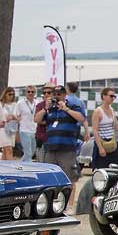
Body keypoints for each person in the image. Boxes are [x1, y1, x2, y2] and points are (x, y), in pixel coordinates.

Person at [35, 84, 86, 212]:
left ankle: (69, 206)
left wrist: (66, 109)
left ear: (65, 94)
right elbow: (37, 119)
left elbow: (81, 118)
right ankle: (51, 205)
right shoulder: (51, 108)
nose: (57, 96)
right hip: (51, 148)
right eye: (55, 93)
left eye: (60, 93)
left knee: (69, 177)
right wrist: (45, 109)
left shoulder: (73, 105)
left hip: (67, 149)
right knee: (50, 177)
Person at [92, 87, 118, 169]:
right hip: (102, 142)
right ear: (104, 96)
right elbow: (95, 131)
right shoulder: (98, 111)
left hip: (112, 143)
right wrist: (100, 148)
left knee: (116, 168)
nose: (113, 98)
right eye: (111, 96)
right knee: (102, 170)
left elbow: (117, 127)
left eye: (114, 96)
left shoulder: (112, 110)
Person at [16, 85, 38, 162]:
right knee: (28, 153)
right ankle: (28, 168)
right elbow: (17, 116)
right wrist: (17, 132)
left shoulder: (37, 103)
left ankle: (19, 165)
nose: (30, 93)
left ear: (35, 93)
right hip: (24, 130)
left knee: (32, 152)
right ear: (25, 92)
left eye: (32, 92)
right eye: (28, 91)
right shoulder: (20, 103)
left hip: (34, 130)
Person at [0, 86, 20, 160]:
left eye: (13, 94)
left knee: (6, 151)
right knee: (8, 149)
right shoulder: (0, 104)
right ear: (5, 94)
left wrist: (15, 118)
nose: (11, 96)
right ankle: (10, 166)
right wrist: (6, 118)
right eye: (9, 94)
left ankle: (2, 166)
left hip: (12, 128)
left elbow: (19, 117)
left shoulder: (15, 105)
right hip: (3, 129)